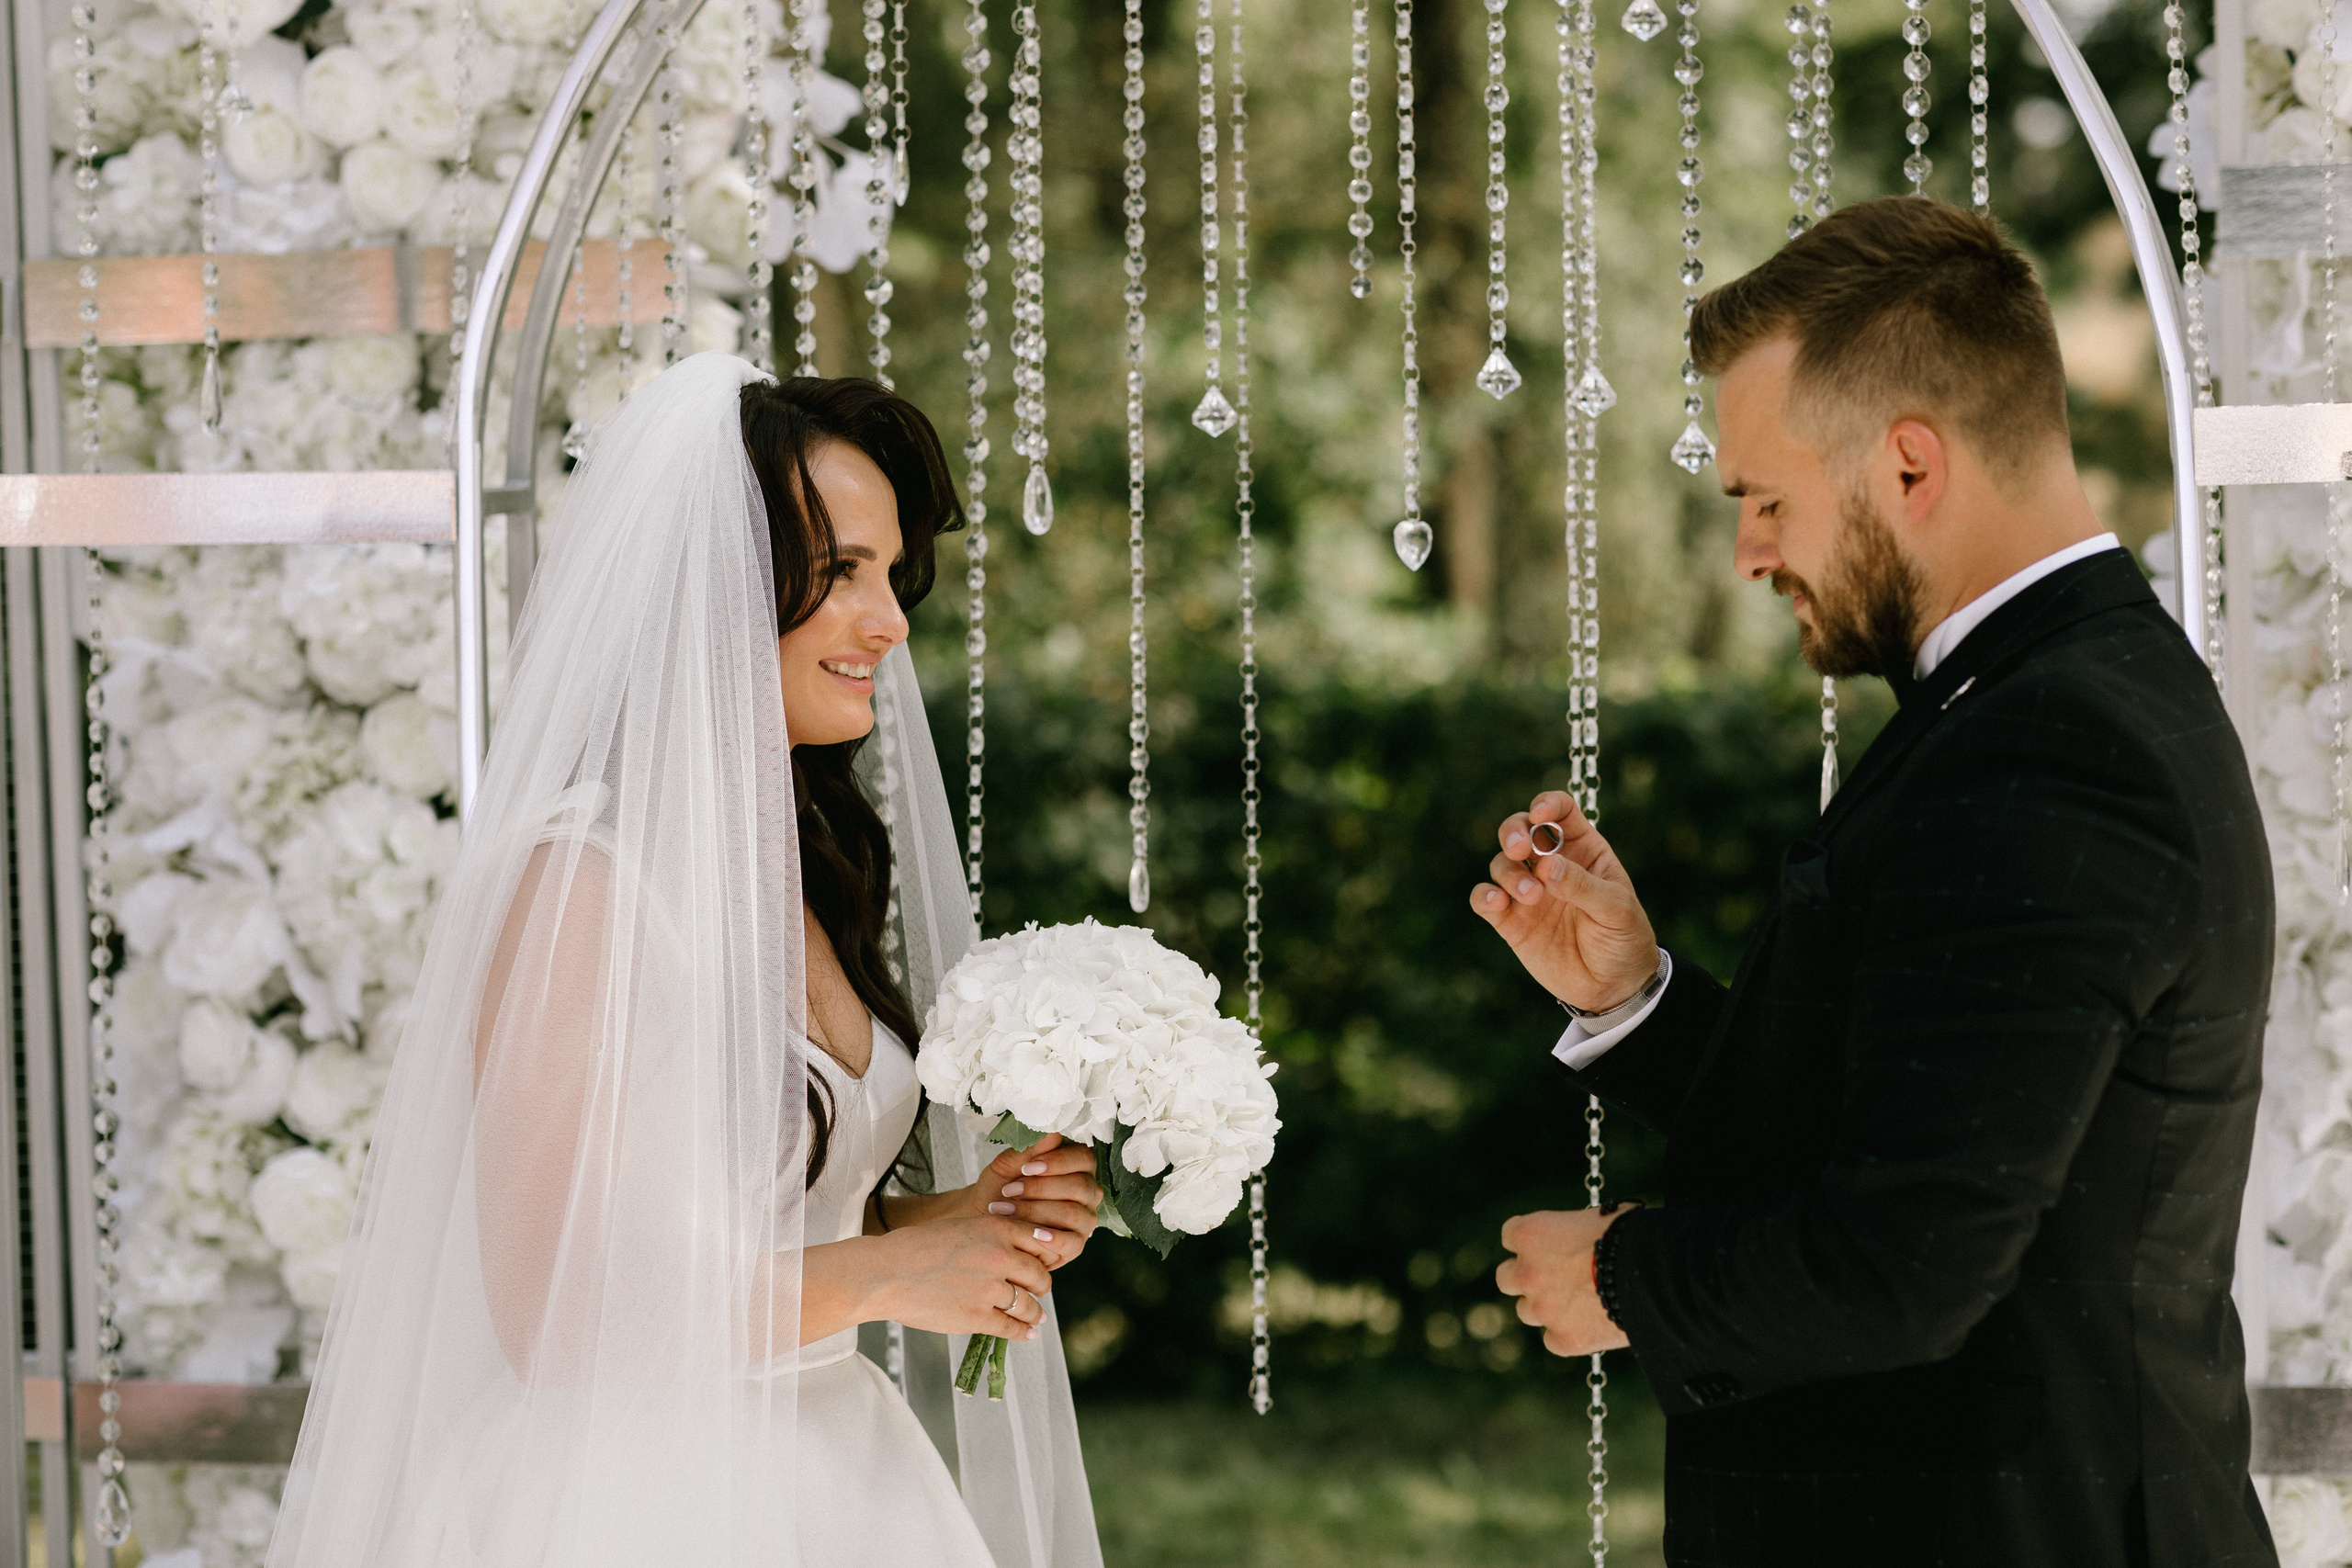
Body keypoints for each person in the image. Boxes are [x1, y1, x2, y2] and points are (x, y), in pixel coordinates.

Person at [1474, 198, 2276, 1567]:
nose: (1751, 553)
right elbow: (1914, 1115)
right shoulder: (2031, 699)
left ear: (1909, 465)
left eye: (1768, 499)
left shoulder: (2057, 742)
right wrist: (1638, 1000)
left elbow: (1907, 1261)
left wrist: (1625, 1276)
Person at [266, 355, 1104, 1568]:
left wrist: (959, 1225)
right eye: (844, 576)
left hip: (837, 1474)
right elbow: (561, 1320)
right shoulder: (585, 884)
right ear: (717, 589)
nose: (891, 623)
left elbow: (763, 1221)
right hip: (633, 1502)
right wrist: (888, 1273)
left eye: (891, 576)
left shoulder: (805, 870)